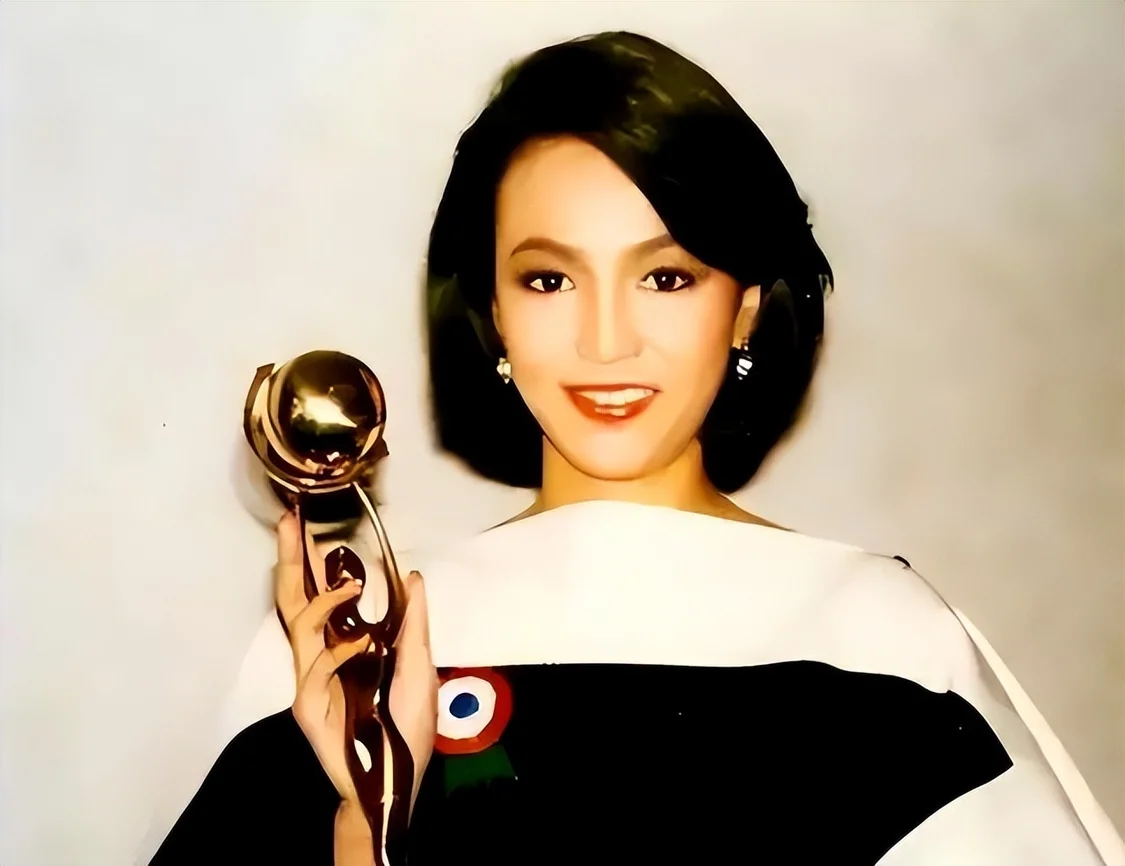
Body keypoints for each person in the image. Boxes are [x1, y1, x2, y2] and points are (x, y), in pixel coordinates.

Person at [149, 31, 1122, 865]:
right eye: (548, 280)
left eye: (665, 278)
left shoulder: (873, 631)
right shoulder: (357, 652)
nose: (606, 341)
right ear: (491, 310)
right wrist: (366, 820)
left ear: (745, 309)